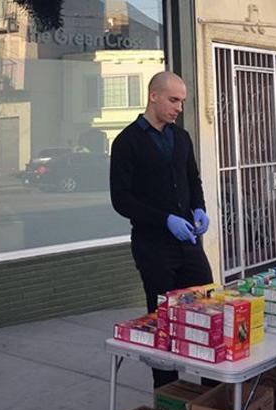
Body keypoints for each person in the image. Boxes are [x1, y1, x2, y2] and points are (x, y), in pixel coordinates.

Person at [110, 71, 213, 388]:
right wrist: (163, 219)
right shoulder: (127, 142)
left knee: (206, 309)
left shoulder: (181, 137)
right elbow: (121, 200)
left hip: (189, 242)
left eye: (181, 101)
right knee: (163, 317)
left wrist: (200, 209)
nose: (178, 107)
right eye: (173, 100)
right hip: (153, 246)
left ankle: (214, 390)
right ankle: (167, 390)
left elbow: (192, 180)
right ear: (153, 96)